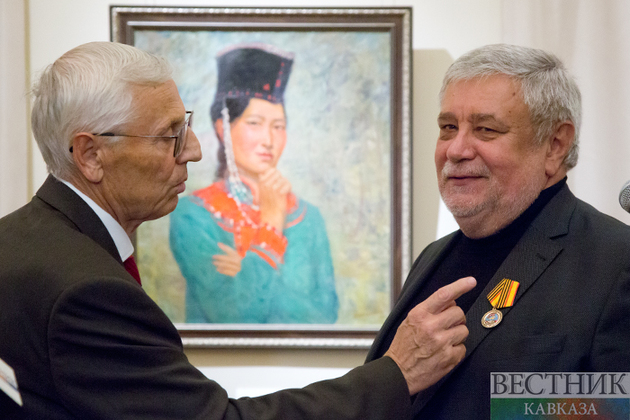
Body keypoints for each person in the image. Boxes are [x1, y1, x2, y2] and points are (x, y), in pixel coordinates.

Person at [0, 41, 476, 419]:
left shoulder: (19, 241)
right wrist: (395, 374)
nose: (193, 151)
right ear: (90, 155)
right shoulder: (87, 290)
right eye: (169, 135)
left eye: (184, 127)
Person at [366, 43, 630, 419]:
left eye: (486, 129)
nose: (456, 150)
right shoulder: (432, 255)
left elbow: (610, 408)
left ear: (555, 145)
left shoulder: (615, 262)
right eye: (448, 128)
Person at [170, 43, 338, 324]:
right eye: (255, 123)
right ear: (224, 129)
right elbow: (231, 314)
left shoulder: (309, 219)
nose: (268, 140)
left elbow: (325, 316)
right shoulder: (194, 215)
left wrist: (244, 268)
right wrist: (271, 224)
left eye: (278, 126)